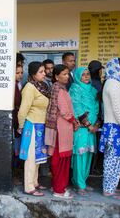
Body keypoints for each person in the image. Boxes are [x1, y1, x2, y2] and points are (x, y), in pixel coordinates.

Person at [99, 57, 120, 199]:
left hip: (119, 126)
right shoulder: (112, 83)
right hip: (115, 127)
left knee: (119, 159)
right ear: (116, 67)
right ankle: (108, 189)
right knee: (112, 159)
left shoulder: (117, 82)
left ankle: (112, 185)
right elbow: (117, 108)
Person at [18, 62, 50, 196]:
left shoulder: (42, 86)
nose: (44, 73)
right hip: (31, 125)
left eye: (44, 71)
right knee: (31, 157)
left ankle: (34, 182)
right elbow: (23, 109)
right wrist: (20, 126)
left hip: (41, 125)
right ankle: (29, 186)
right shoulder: (30, 87)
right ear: (33, 74)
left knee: (38, 157)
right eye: (41, 72)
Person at [45, 64, 77, 199]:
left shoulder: (60, 88)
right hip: (61, 129)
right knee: (60, 161)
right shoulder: (58, 89)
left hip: (62, 128)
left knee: (59, 159)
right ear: (56, 76)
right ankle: (59, 190)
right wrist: (74, 121)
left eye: (68, 73)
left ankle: (58, 186)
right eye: (64, 74)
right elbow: (65, 111)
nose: (67, 76)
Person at [69, 67, 99, 196]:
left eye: (88, 74)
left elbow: (97, 108)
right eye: (83, 75)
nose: (86, 77)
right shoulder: (75, 89)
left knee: (88, 155)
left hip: (92, 129)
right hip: (82, 128)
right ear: (77, 77)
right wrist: (88, 125)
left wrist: (96, 124)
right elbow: (77, 108)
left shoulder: (93, 90)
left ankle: (83, 181)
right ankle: (79, 184)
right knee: (80, 156)